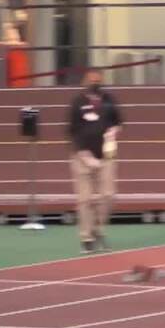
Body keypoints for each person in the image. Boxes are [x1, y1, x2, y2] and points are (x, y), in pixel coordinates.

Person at [67, 70, 122, 254]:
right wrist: (84, 154)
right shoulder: (77, 102)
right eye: (91, 80)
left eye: (98, 80)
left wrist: (113, 131)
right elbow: (71, 130)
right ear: (85, 81)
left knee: (108, 195)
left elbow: (118, 122)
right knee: (85, 199)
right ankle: (86, 238)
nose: (95, 83)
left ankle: (98, 229)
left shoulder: (109, 99)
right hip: (82, 157)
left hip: (106, 156)